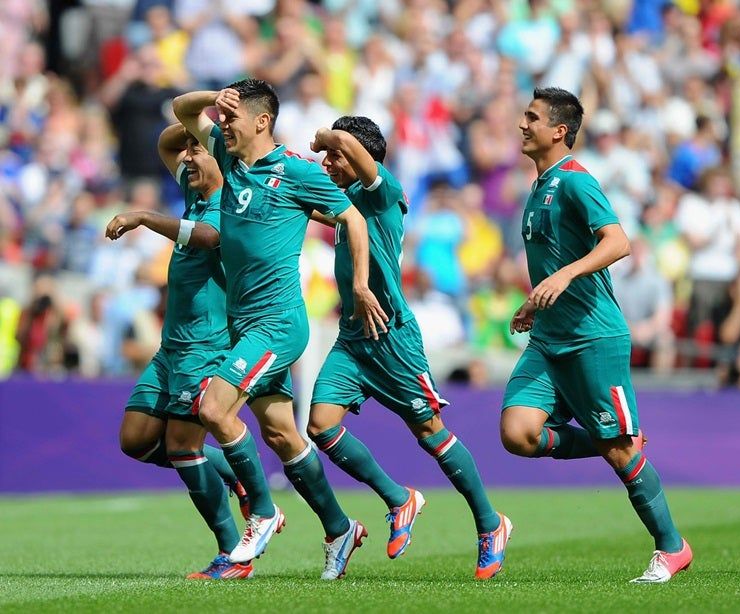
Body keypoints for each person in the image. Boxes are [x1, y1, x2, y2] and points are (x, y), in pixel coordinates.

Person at [172, 79, 388, 579]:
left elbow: (353, 219)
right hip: (244, 323)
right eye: (222, 119)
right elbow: (182, 110)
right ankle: (340, 529)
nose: (223, 126)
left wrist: (359, 285)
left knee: (213, 408)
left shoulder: (296, 171)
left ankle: (263, 512)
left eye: (232, 118)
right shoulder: (228, 158)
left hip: (277, 324)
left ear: (262, 121)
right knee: (282, 435)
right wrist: (214, 97)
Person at [305, 116, 511, 580]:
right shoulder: (345, 202)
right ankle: (399, 499)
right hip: (353, 339)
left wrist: (325, 137)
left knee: (431, 433)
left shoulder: (383, 191)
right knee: (321, 426)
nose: (327, 162)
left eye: (336, 156)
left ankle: (490, 523)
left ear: (360, 156)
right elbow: (314, 205)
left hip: (392, 337)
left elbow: (347, 151)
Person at [500, 87, 692, 584]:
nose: (523, 124)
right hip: (549, 339)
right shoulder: (539, 187)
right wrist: (535, 301)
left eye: (532, 117)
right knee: (517, 432)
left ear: (558, 131)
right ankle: (612, 437)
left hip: (593, 338)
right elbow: (552, 261)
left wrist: (565, 276)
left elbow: (619, 242)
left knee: (622, 454)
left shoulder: (575, 181)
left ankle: (672, 547)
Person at [107, 123, 251, 579]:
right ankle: (233, 472)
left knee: (182, 448)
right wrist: (200, 124)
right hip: (171, 348)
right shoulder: (195, 195)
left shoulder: (235, 203)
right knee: (135, 440)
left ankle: (233, 554)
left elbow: (208, 238)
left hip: (206, 347)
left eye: (197, 150)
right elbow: (164, 142)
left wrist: (144, 217)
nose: (186, 156)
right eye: (187, 150)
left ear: (222, 159)